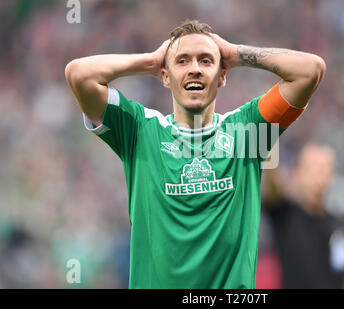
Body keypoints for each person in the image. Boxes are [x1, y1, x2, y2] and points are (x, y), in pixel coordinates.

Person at [64, 20, 325, 289]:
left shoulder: (248, 131)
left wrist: (234, 53)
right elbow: (79, 74)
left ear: (222, 76)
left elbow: (310, 70)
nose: (195, 69)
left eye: (206, 61)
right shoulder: (140, 130)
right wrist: (152, 60)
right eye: (182, 61)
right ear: (165, 76)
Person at [263, 143, 344, 288]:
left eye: (325, 168)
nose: (319, 174)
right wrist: (268, 139)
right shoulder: (285, 215)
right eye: (313, 168)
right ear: (298, 172)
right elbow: (272, 187)